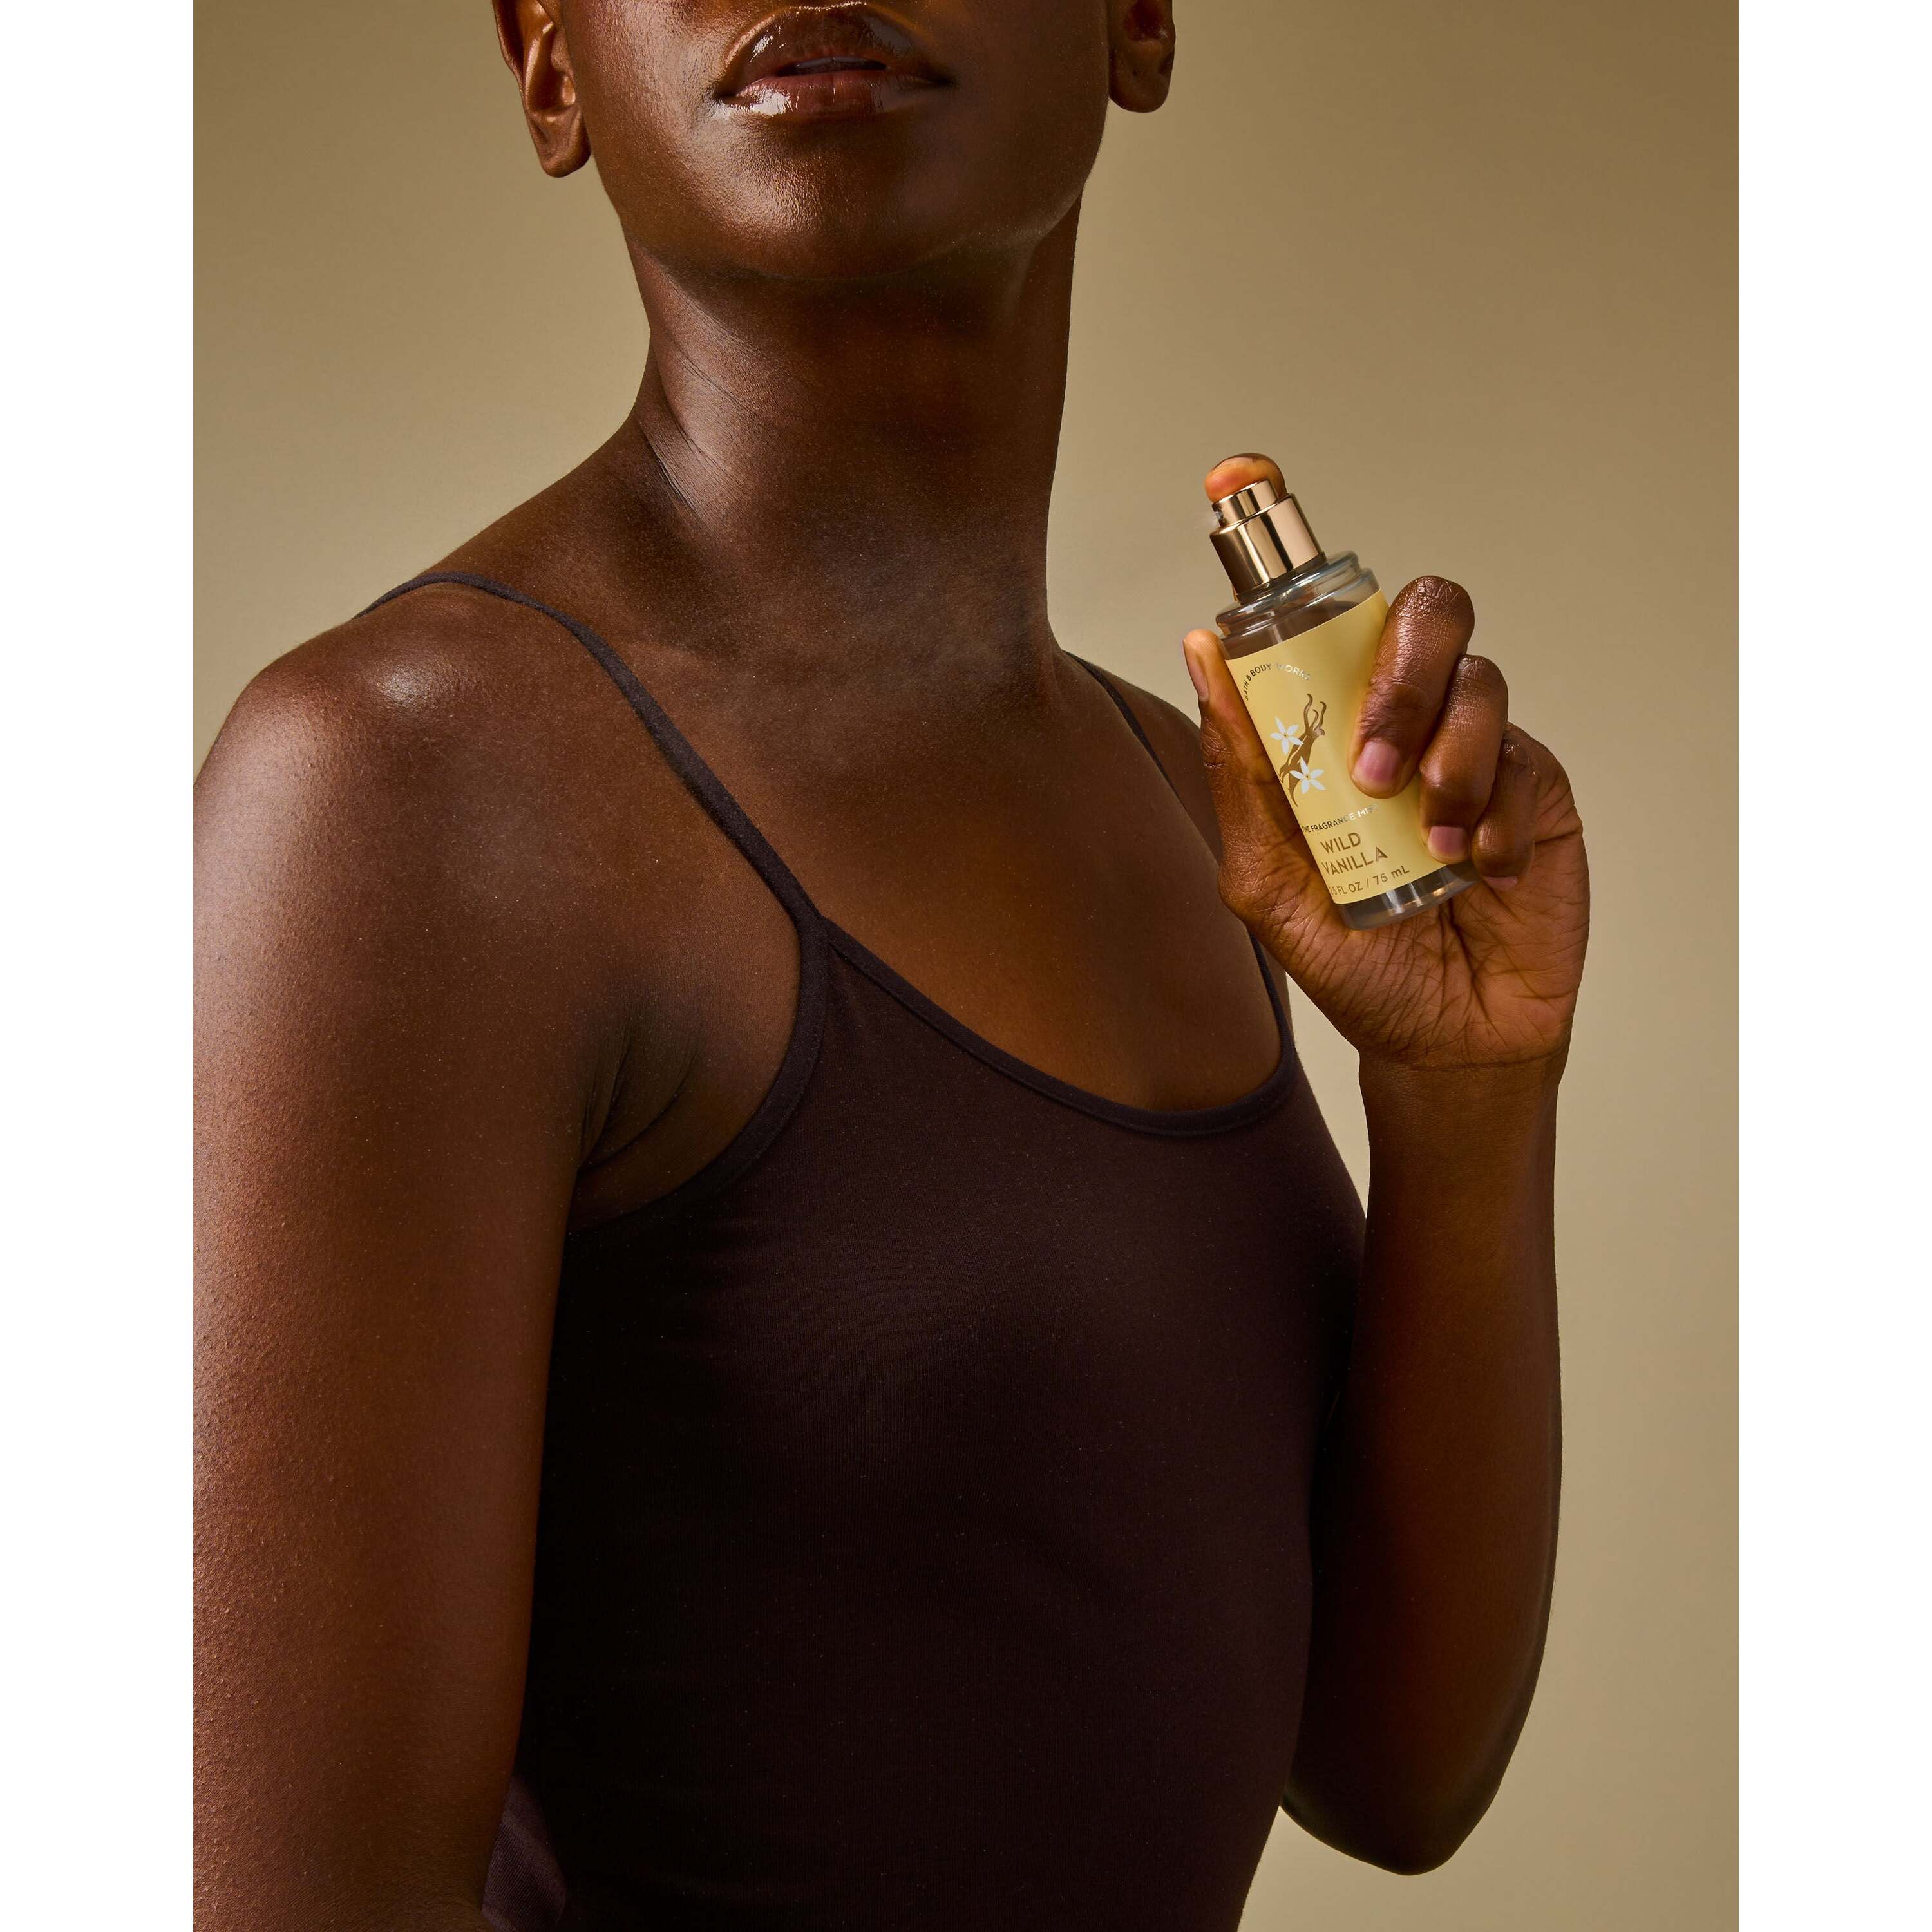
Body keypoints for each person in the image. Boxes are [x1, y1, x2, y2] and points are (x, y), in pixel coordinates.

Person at [194, 4, 1589, 1927]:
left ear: (1135, 19)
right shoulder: (407, 790)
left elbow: (1392, 1763)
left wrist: (1464, 1095)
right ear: (548, 61)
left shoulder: (1200, 808)